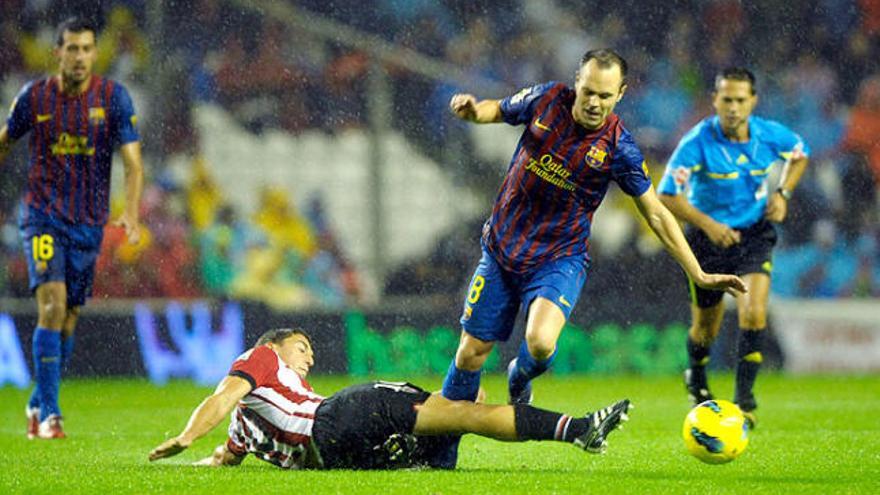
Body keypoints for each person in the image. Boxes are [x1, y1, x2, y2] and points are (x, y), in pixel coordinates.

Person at [439, 48, 746, 463]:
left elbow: (655, 212)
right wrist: (473, 111)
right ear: (576, 83)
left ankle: (520, 374)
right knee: (470, 353)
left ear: (620, 93)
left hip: (558, 259)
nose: (593, 103)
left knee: (541, 343)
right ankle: (440, 452)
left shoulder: (619, 147)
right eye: (587, 92)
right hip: (501, 251)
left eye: (604, 95)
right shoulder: (546, 100)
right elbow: (496, 109)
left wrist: (699, 272)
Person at [147, 328, 632, 470]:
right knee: (462, 410)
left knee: (453, 427)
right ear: (274, 345)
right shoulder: (260, 358)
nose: (309, 358)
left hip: (339, 456)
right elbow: (223, 396)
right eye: (302, 347)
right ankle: (578, 429)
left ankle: (463, 398)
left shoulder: (255, 419)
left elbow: (227, 456)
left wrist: (201, 459)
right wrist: (187, 436)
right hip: (339, 417)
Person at [0, 17, 144, 439]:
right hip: (43, 217)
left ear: (95, 53)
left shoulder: (113, 98)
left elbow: (133, 164)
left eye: (86, 49)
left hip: (88, 223)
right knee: (52, 306)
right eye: (72, 49)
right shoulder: (35, 97)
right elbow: (5, 141)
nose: (79, 57)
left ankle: (36, 401)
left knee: (68, 318)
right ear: (57, 53)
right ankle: (50, 417)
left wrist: (131, 213)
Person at [657, 67, 810, 428]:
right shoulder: (697, 141)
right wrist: (709, 225)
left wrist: (783, 193)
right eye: (726, 99)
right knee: (706, 329)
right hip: (707, 242)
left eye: (741, 100)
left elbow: (800, 154)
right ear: (715, 100)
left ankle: (744, 399)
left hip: (754, 235)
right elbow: (666, 194)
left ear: (753, 101)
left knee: (753, 313)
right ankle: (696, 373)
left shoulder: (769, 134)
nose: (733, 107)